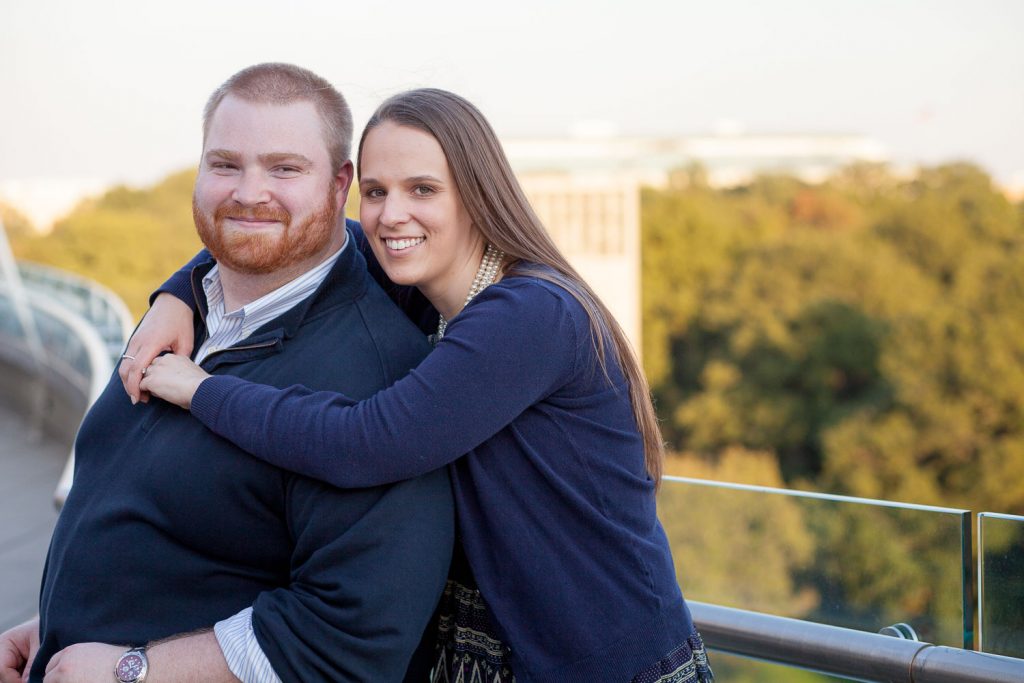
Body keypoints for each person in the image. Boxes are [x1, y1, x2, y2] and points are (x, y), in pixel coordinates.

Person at [127, 89, 713, 682]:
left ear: (477, 195)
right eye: (376, 191)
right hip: (483, 660)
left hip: (600, 662)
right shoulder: (417, 292)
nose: (390, 214)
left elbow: (367, 444)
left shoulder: (532, 314)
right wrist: (179, 294)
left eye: (423, 189)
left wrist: (201, 390)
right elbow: (296, 237)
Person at [0, 64, 455, 683]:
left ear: (341, 184)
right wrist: (55, 626)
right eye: (224, 164)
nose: (248, 192)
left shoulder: (380, 381)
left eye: (285, 168)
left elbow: (352, 634)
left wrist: (132, 669)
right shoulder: (185, 317)